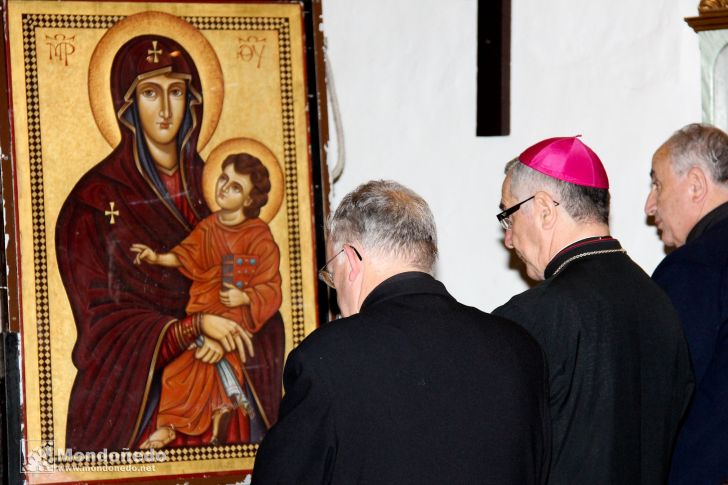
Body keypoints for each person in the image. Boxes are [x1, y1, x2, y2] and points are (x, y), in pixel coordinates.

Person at [55, 35, 284, 450]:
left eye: (175, 91)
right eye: (149, 93)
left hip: (227, 384)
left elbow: (250, 277)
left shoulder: (216, 188)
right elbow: (100, 327)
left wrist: (235, 313)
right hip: (138, 401)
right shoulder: (93, 202)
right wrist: (192, 328)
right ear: (126, 106)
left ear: (192, 100)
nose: (164, 109)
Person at [252, 180, 550, 485]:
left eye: (333, 274)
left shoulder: (326, 358)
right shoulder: (520, 348)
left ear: (351, 260)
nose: (336, 292)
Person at [493, 136, 693, 484]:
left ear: (543, 208)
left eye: (508, 216)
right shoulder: (660, 303)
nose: (508, 238)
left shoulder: (534, 317)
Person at [131, 152, 283, 448]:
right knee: (177, 372)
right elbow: (186, 254)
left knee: (214, 364)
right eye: (224, 178)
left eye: (236, 187)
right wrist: (157, 257)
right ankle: (186, 422)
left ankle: (203, 422)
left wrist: (246, 296)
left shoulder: (259, 236)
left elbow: (271, 288)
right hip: (201, 318)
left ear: (251, 200)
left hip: (234, 324)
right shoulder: (209, 227)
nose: (224, 187)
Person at [645, 123, 728, 485]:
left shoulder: (694, 268)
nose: (650, 206)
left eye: (657, 184)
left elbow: (659, 395)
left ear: (696, 184)